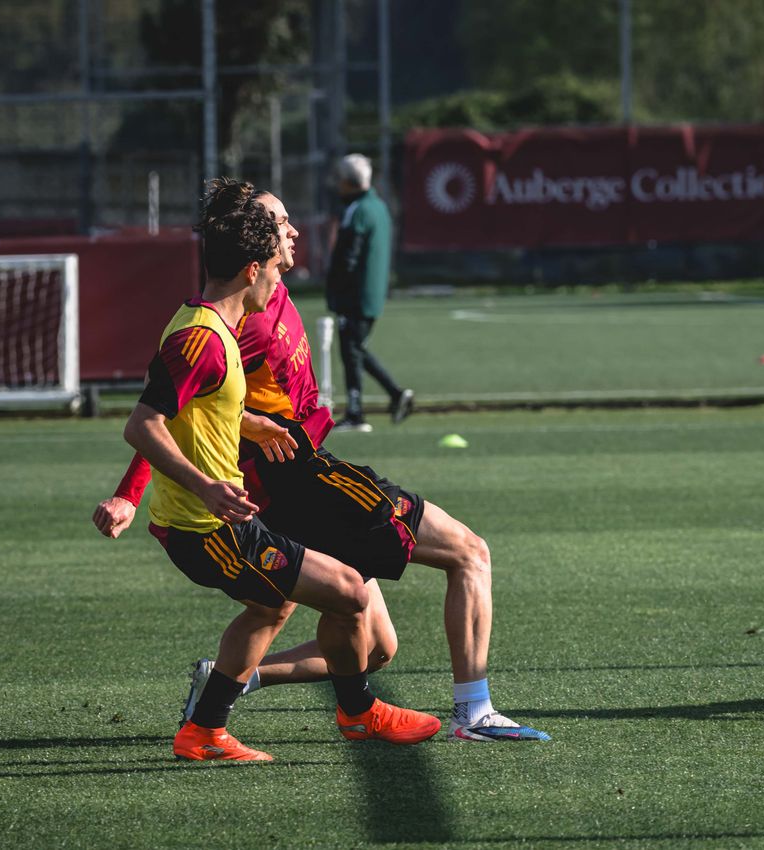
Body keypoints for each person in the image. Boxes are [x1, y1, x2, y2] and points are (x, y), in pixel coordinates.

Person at [95, 180, 548, 742]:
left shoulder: (267, 290)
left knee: (374, 646)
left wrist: (248, 421)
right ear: (253, 253)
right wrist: (130, 494)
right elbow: (166, 410)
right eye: (279, 222)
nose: (292, 231)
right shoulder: (235, 318)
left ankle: (228, 685)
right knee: (467, 552)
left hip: (300, 471)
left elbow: (197, 405)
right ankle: (468, 712)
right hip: (299, 482)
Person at [325, 153, 412, 432]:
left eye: (340, 180)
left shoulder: (358, 210)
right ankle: (396, 394)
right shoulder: (378, 206)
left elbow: (349, 255)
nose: (337, 185)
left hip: (355, 295)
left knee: (351, 351)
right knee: (355, 349)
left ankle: (356, 413)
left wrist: (337, 290)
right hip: (370, 293)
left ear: (349, 182)